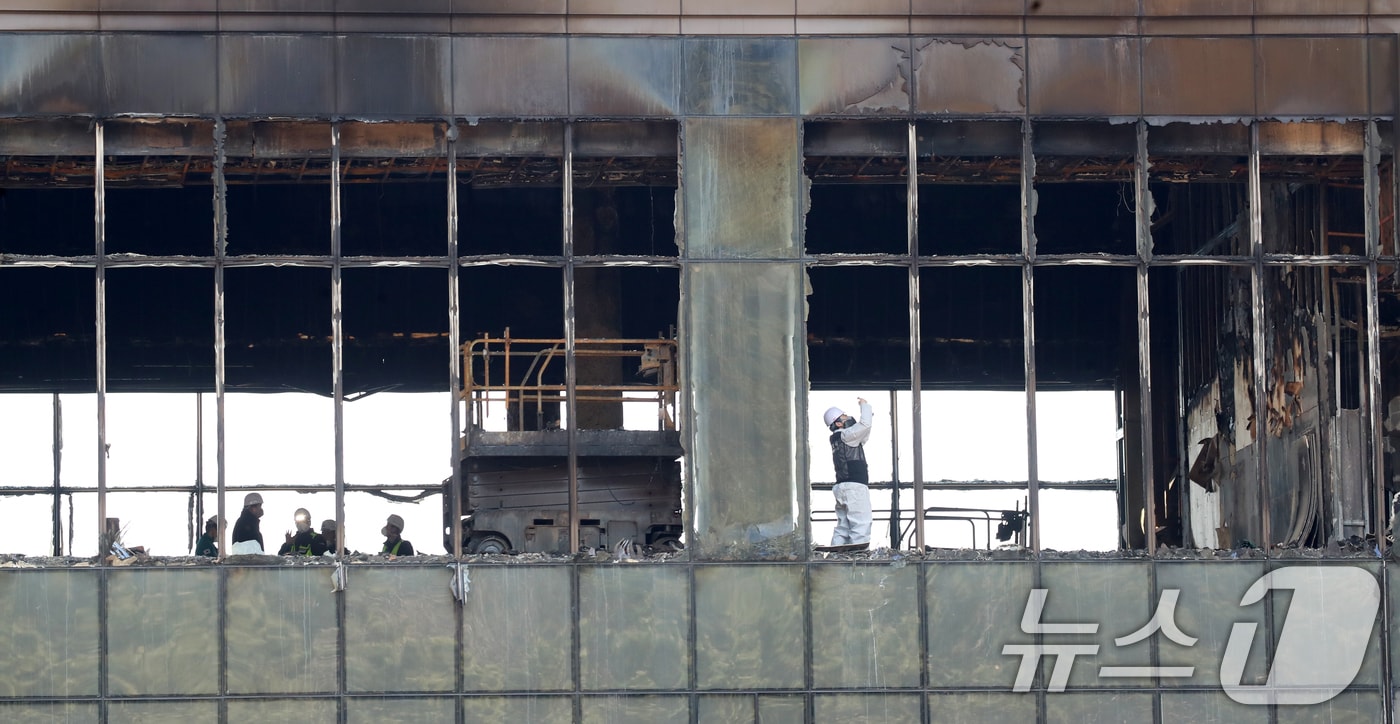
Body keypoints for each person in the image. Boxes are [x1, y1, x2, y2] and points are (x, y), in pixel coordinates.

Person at [823, 398, 873, 548]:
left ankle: (835, 555)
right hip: (854, 487)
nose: (848, 417)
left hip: (841, 487)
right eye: (844, 416)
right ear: (838, 423)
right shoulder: (847, 436)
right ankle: (857, 558)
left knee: (843, 527)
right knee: (861, 523)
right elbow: (865, 425)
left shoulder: (837, 438)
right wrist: (864, 405)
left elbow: (863, 435)